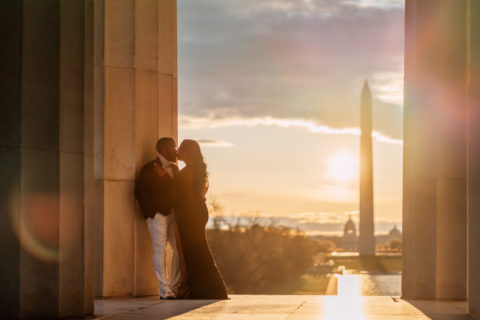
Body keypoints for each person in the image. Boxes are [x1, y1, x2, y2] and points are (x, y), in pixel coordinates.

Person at [154, 139, 228, 299]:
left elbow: (176, 191)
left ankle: (193, 288)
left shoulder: (189, 170)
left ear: (187, 152)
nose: (176, 151)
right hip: (196, 212)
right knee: (197, 250)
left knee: (188, 251)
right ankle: (202, 288)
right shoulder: (197, 169)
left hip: (189, 214)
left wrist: (164, 176)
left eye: (179, 148)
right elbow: (200, 191)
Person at [135, 137, 182, 299]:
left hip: (174, 214)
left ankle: (174, 286)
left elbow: (177, 190)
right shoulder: (149, 168)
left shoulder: (176, 169)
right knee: (160, 249)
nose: (176, 150)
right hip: (158, 216)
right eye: (173, 147)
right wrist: (152, 212)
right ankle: (164, 289)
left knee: (177, 249)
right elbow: (140, 192)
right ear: (162, 150)